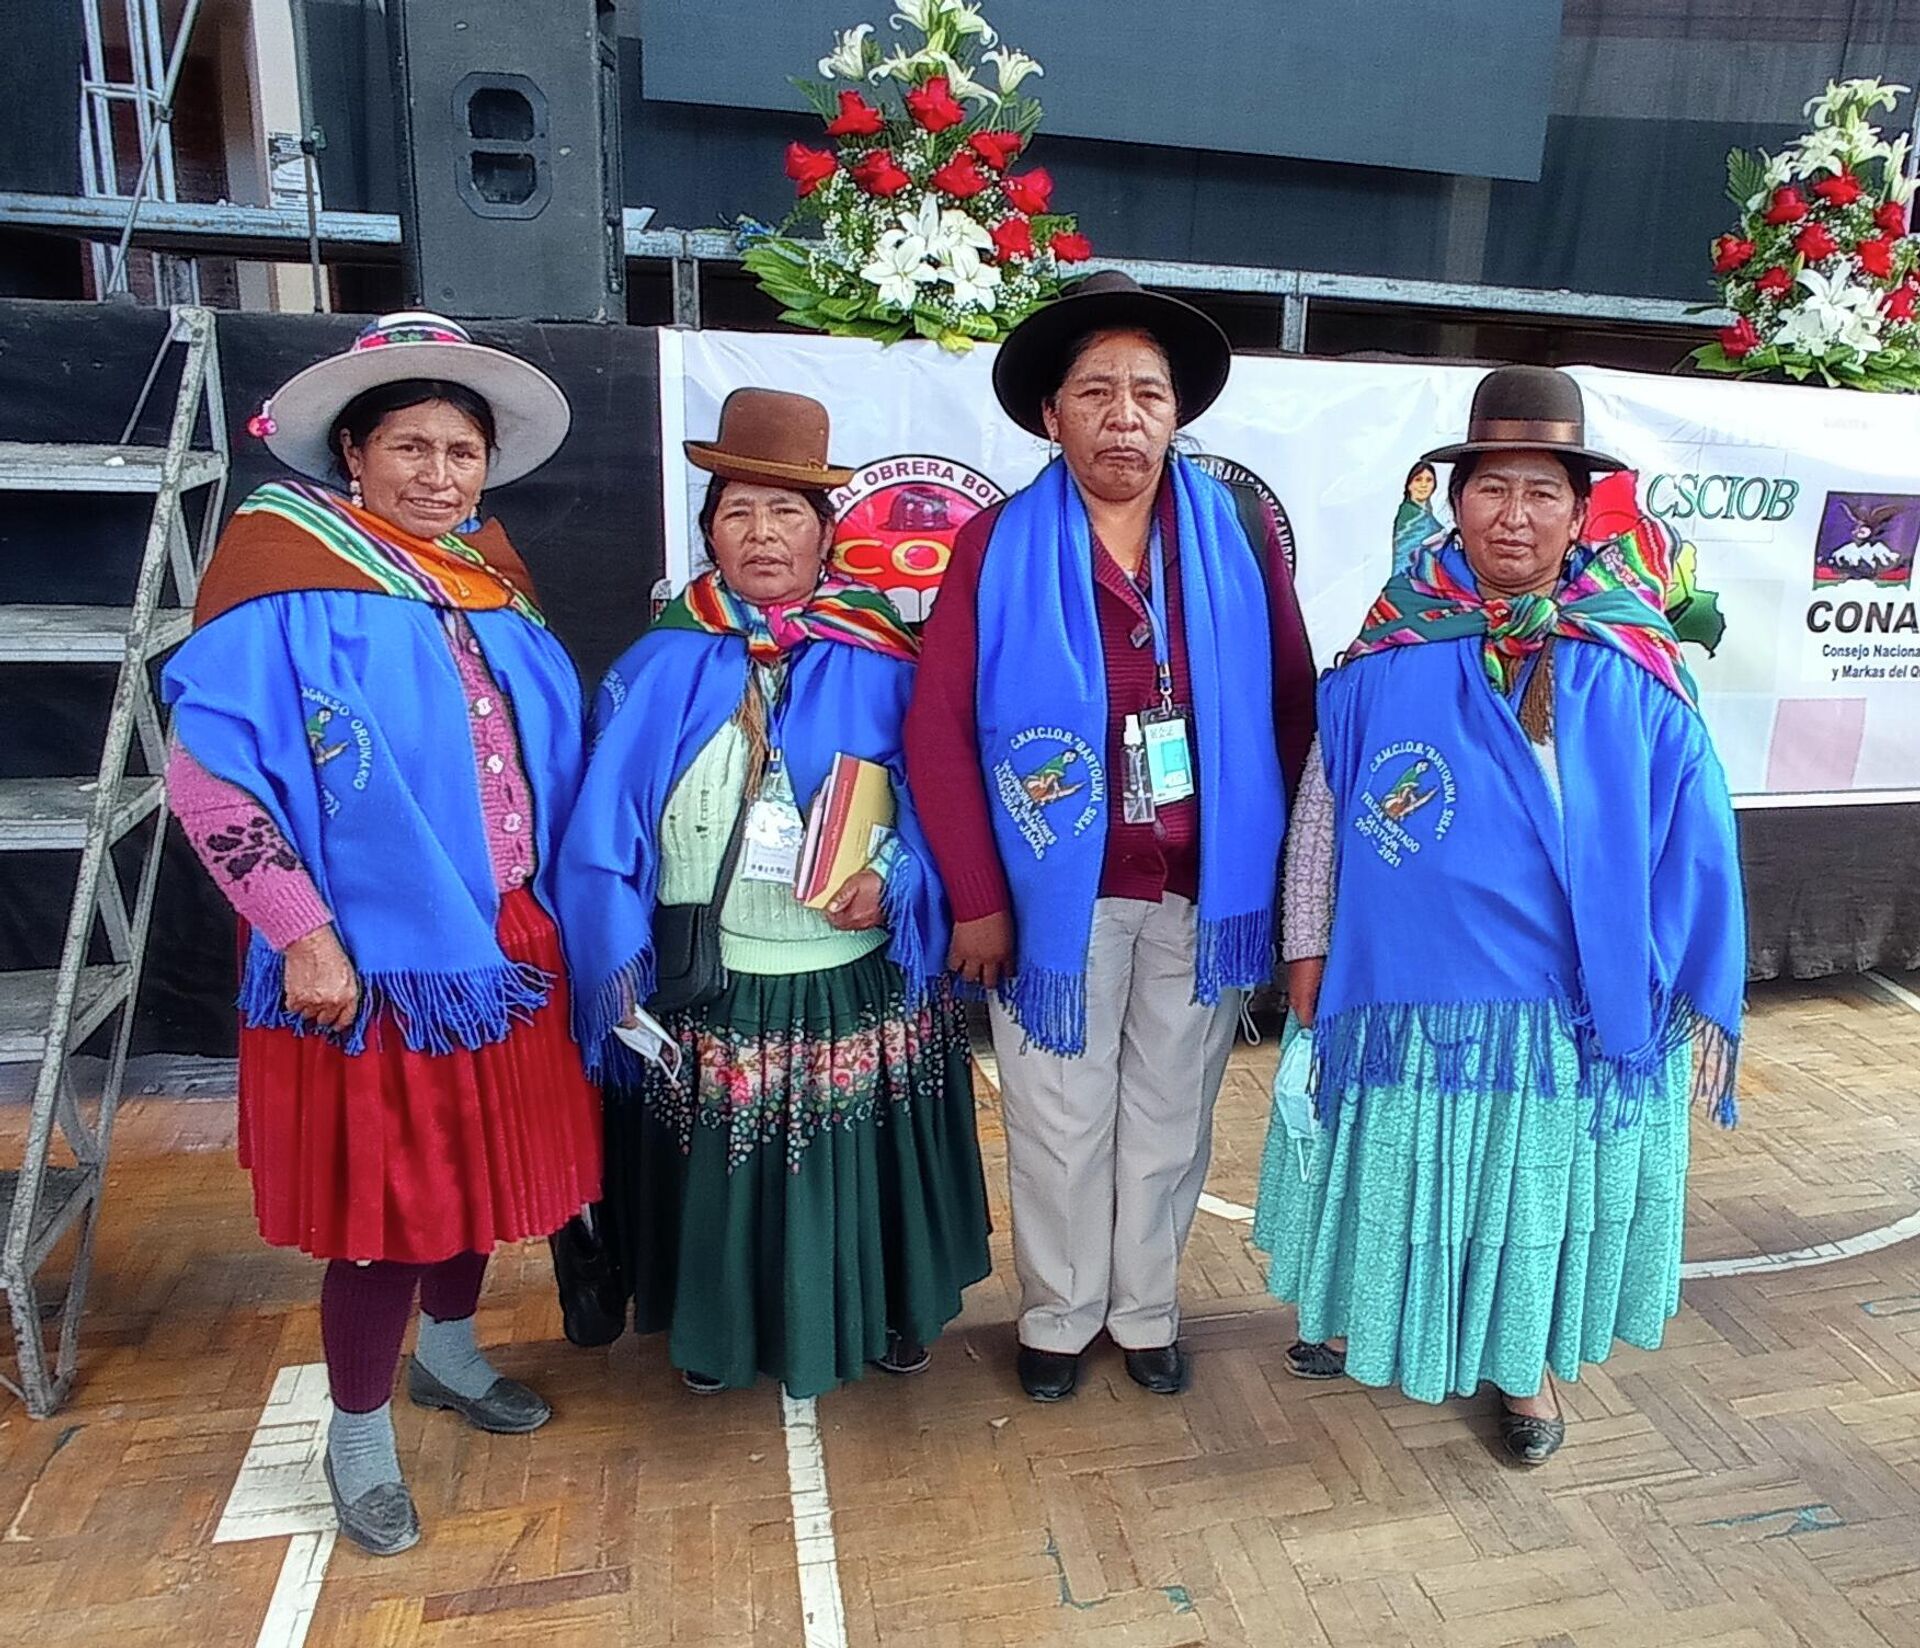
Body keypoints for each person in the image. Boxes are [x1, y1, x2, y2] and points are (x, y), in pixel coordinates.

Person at [160, 313, 601, 1554]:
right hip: (371, 963)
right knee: (390, 1209)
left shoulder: (489, 585)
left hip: (508, 941)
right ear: (351, 453)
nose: (441, 474)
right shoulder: (280, 579)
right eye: (411, 446)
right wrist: (300, 932)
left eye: (462, 451)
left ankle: (449, 1359)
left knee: (473, 1187)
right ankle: (355, 1430)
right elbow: (208, 783)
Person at [1253, 365, 1746, 1464]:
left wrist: (1661, 971)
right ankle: (1361, 1313)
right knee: (1386, 1164)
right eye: (1491, 488)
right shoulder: (1399, 631)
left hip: (1551, 1000)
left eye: (1541, 492)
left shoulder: (1624, 652)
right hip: (1402, 986)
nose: (1513, 515)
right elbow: (1328, 804)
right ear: (1456, 498)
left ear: (1578, 512)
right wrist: (1306, 948)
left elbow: (1688, 827)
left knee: (1526, 1190)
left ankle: (1524, 1373)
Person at [905, 272, 1317, 1402]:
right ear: (1053, 415)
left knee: (1170, 1114)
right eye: (1096, 392)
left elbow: (1290, 701)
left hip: (1199, 884)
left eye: (1147, 391)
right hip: (1054, 898)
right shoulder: (994, 544)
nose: (1124, 414)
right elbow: (939, 729)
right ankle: (1056, 1313)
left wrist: (1273, 876)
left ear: (1177, 413)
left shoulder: (1234, 534)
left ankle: (1143, 1310)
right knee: (1055, 1113)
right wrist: (980, 896)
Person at [556, 388, 990, 1398]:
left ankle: (885, 1307)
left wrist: (897, 877)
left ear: (827, 532)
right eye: (740, 511)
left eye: (788, 512)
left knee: (863, 1161)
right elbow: (601, 826)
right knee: (727, 1172)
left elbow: (941, 798)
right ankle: (722, 1331)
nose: (763, 533)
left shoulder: (886, 657)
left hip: (856, 975)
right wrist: (610, 961)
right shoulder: (660, 663)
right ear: (708, 529)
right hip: (717, 979)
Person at [1391, 460, 1447, 574]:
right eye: (1418, 480)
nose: (1423, 485)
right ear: (1409, 485)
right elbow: (1406, 551)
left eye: (1429, 480)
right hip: (1409, 578)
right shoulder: (1408, 513)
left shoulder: (1427, 514)